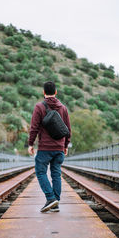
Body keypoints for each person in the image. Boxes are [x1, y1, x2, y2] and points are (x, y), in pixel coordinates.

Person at [28, 81, 71, 213]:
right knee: (56, 174)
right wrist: (66, 145)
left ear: (44, 92)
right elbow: (68, 128)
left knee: (40, 172)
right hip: (59, 148)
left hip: (45, 148)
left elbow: (34, 128)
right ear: (56, 92)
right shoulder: (63, 108)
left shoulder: (39, 107)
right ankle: (55, 203)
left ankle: (51, 198)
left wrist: (30, 144)